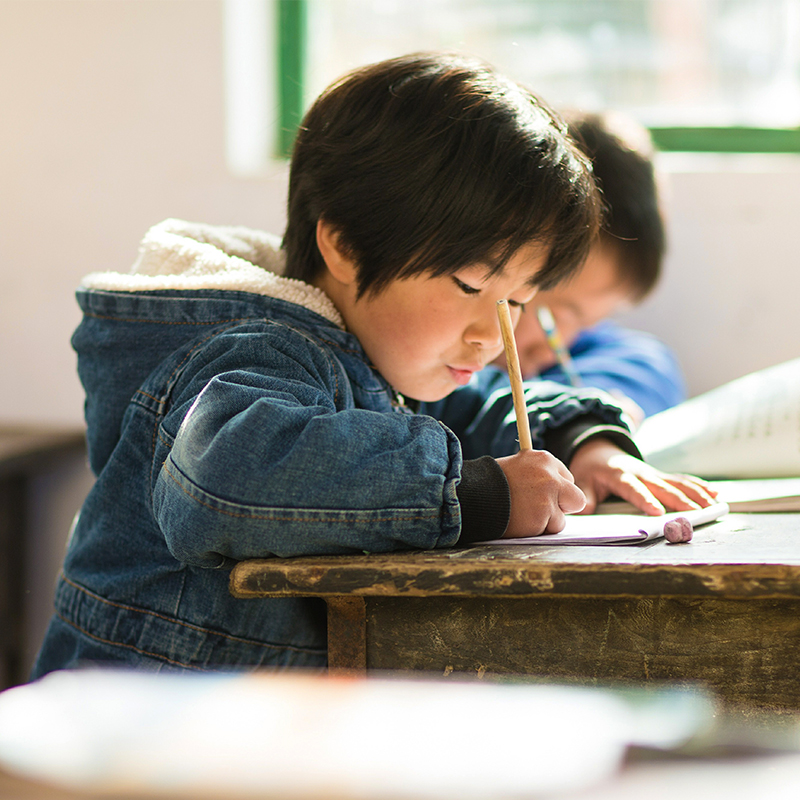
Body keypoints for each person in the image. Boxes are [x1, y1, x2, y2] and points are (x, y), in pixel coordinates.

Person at [32, 53, 714, 677]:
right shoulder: (255, 351)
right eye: (472, 287)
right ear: (346, 245)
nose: (492, 336)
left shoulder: (383, 351)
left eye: (518, 302)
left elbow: (471, 413)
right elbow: (224, 475)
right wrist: (475, 495)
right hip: (135, 741)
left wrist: (581, 441)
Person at [497, 111, 685, 425]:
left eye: (583, 324)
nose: (554, 350)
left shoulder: (569, 349)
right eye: (555, 317)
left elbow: (650, 366)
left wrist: (591, 417)